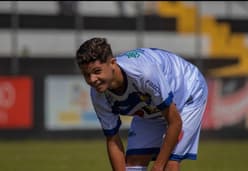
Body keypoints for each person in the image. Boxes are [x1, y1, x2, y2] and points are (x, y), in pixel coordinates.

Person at [75, 37, 208, 171]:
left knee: (170, 163)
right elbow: (112, 139)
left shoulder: (144, 74)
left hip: (188, 92)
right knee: (133, 163)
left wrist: (158, 166)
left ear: (112, 63)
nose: (92, 80)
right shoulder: (98, 94)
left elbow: (175, 122)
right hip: (152, 108)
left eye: (97, 71)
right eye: (86, 75)